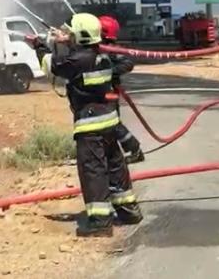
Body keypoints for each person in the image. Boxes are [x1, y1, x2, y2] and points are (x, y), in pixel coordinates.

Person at [42, 13, 143, 237]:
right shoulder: (103, 56)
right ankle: (129, 212)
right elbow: (82, 57)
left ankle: (100, 223)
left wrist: (43, 45)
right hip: (109, 121)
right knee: (115, 167)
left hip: (90, 127)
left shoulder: (78, 60)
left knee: (93, 173)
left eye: (73, 33)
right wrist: (66, 40)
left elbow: (53, 65)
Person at [98, 15, 145, 164]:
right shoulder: (96, 47)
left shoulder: (111, 49)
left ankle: (135, 150)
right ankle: (108, 154)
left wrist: (109, 72)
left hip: (109, 93)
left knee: (112, 124)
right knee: (105, 125)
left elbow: (128, 63)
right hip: (100, 93)